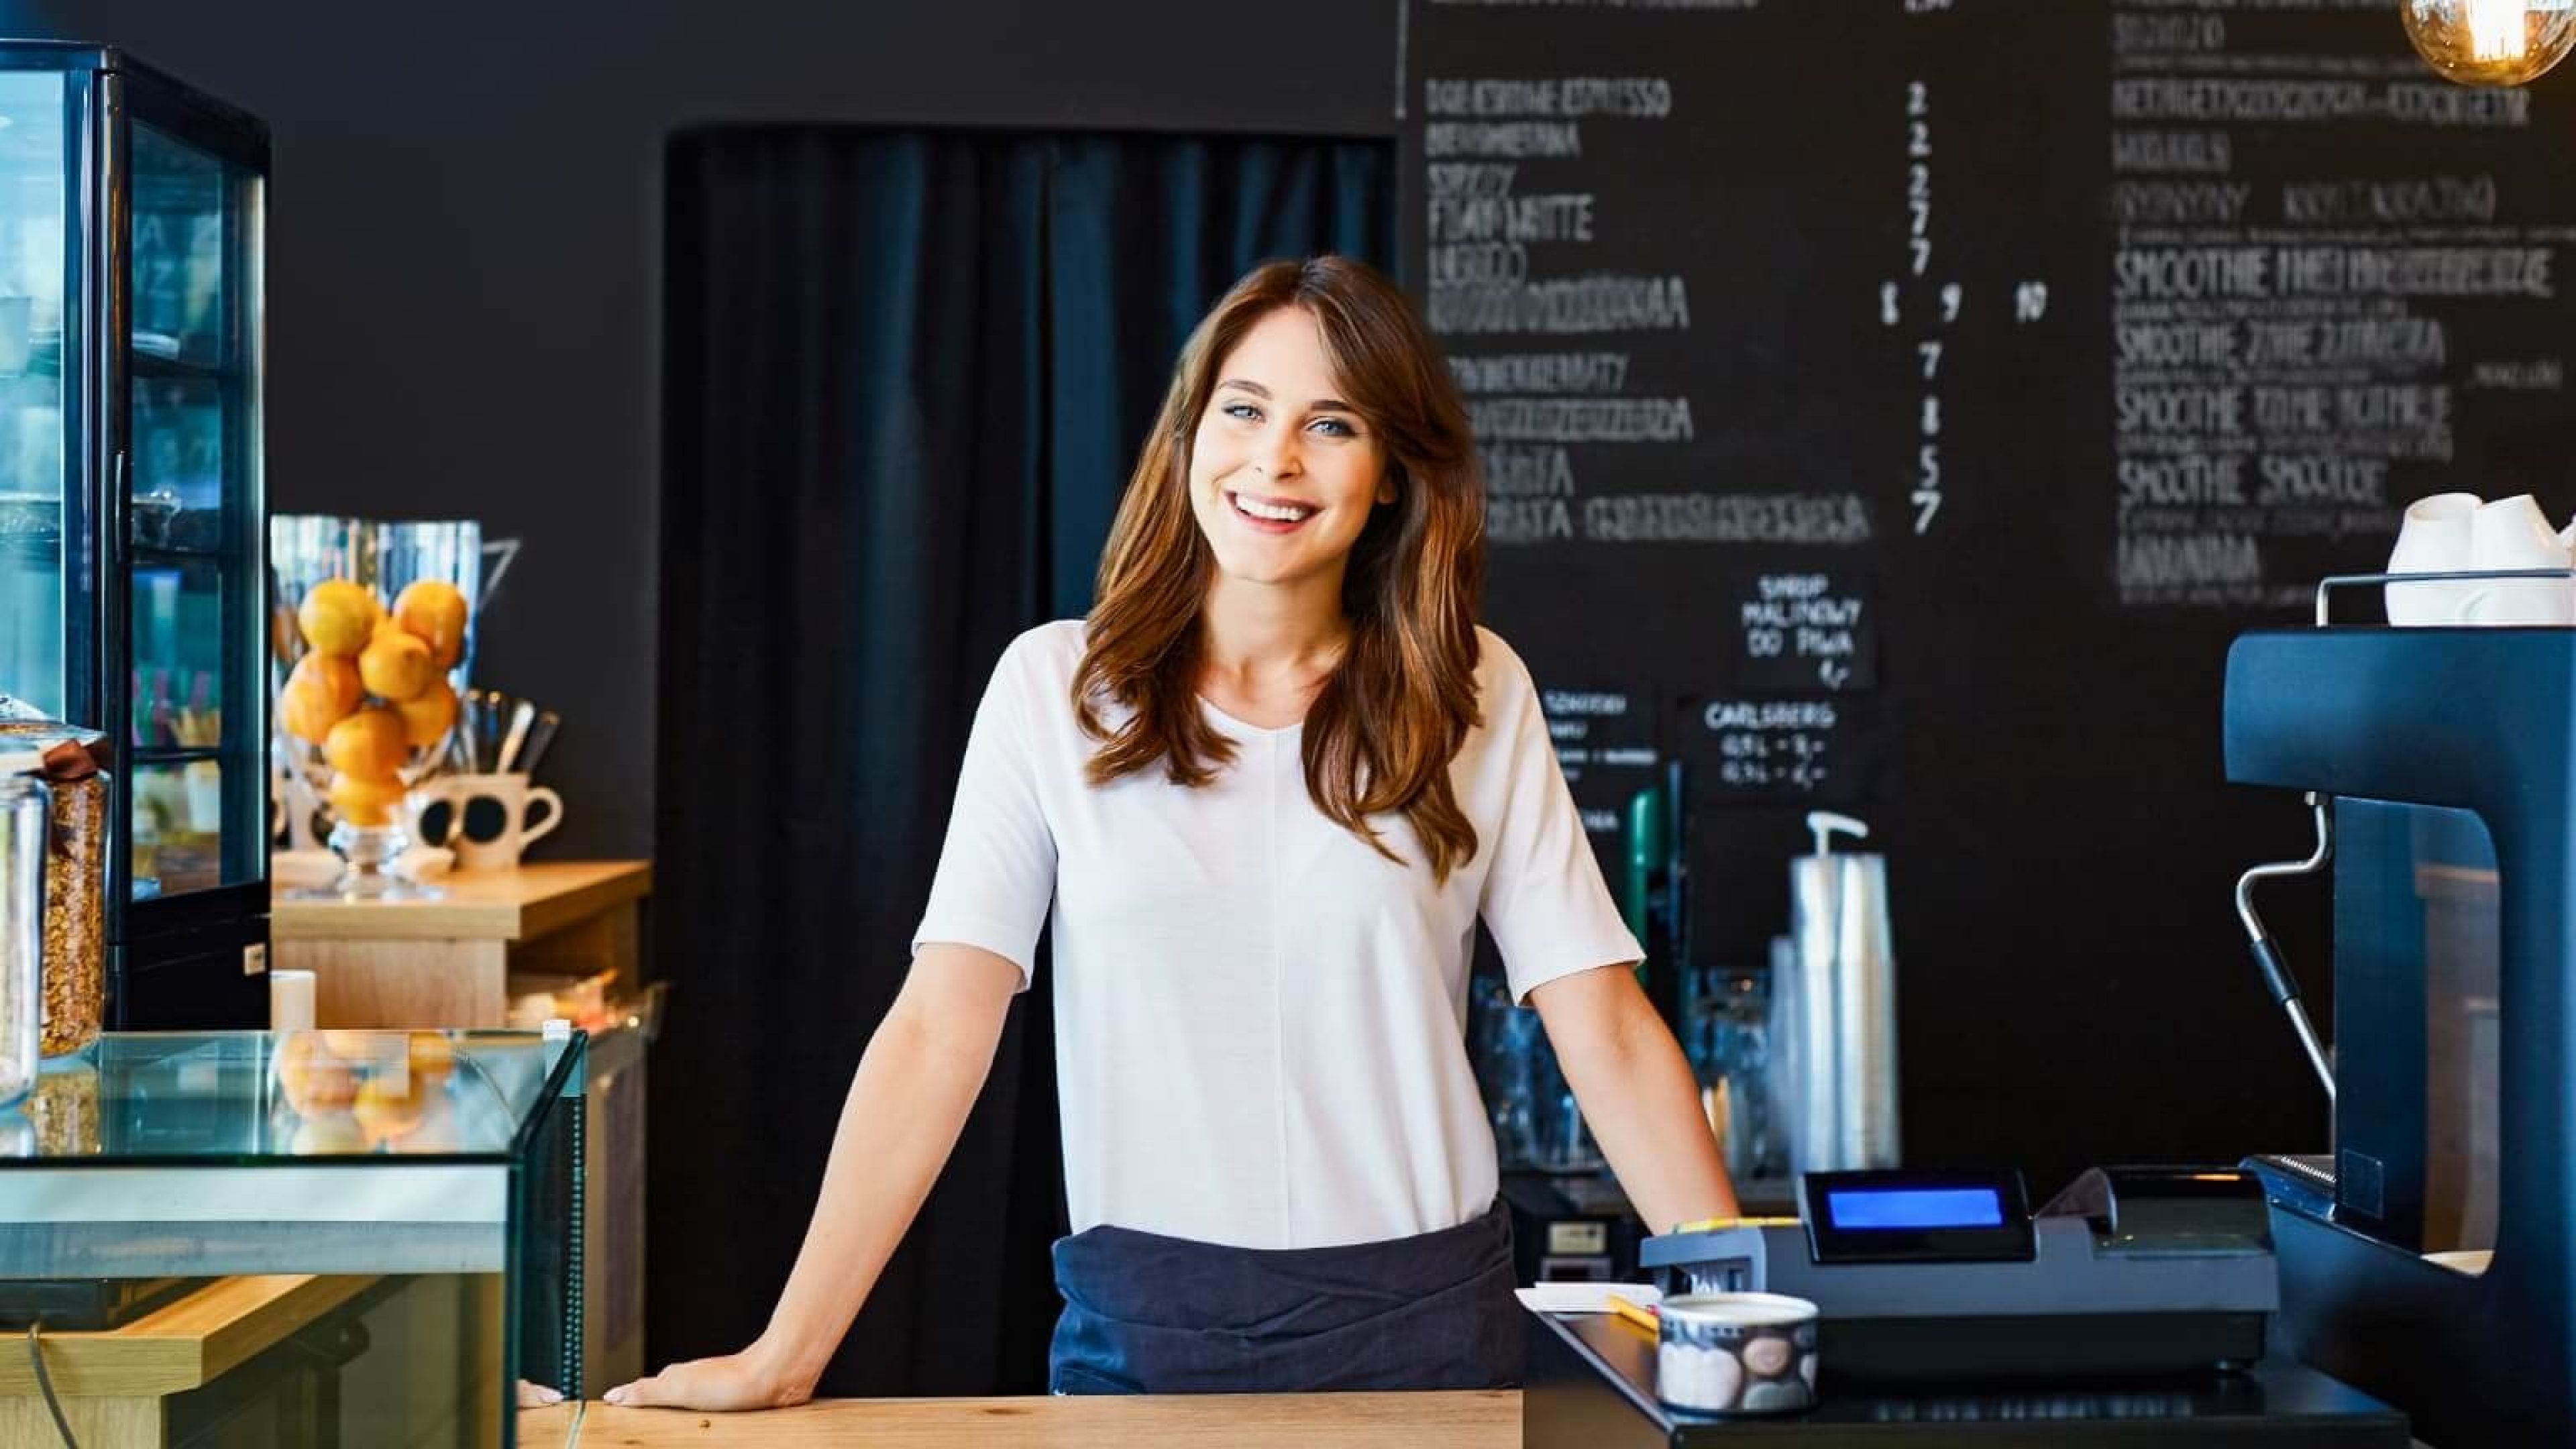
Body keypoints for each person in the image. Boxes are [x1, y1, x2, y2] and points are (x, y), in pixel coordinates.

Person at [606, 254, 1737, 1409]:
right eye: (1243, 410)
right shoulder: (1053, 688)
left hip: (1430, 1331)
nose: (1275, 460)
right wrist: (785, 1355)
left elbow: (1600, 1023)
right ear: (1191, 433)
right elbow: (938, 1031)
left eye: (1332, 424)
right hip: (1145, 1337)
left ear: (1394, 471)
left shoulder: (1473, 691)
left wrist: (1738, 1315)